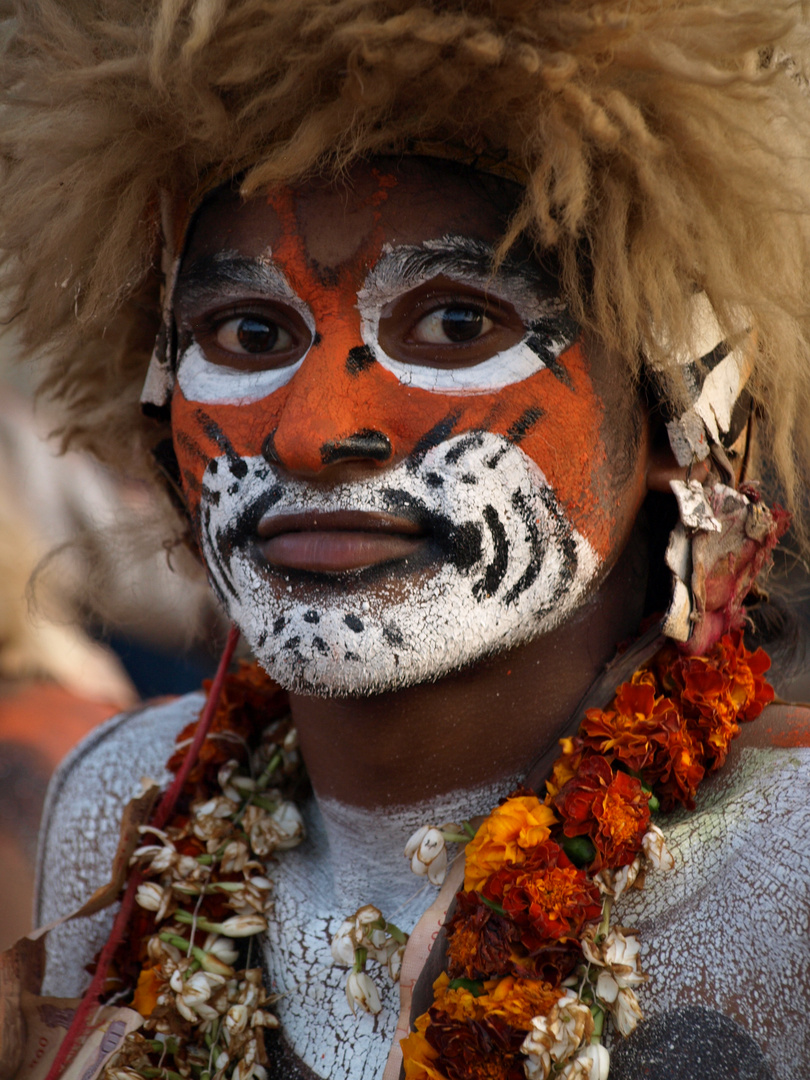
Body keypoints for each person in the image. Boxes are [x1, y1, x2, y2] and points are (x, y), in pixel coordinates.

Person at [2, 3, 810, 1079]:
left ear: (680, 409)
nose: (313, 434)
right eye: (249, 335)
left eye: (457, 324)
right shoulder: (121, 803)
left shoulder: (786, 869)